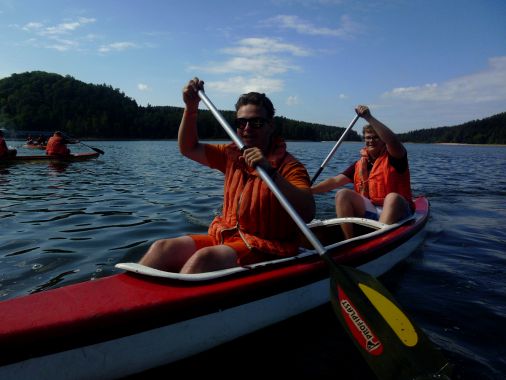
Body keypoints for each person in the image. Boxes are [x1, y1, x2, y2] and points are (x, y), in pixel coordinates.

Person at [139, 77, 315, 274]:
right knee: (162, 248)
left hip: (268, 246)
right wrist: (191, 107)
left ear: (270, 126)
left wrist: (270, 171)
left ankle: (177, 303)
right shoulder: (232, 155)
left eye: (256, 122)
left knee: (204, 259)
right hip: (227, 236)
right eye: (241, 122)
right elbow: (188, 148)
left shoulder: (290, 167)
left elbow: (308, 211)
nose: (247, 129)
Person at [311, 105, 414, 239]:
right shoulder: (360, 164)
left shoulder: (395, 157)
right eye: (368, 138)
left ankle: (377, 241)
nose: (371, 141)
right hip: (373, 209)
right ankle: (350, 240)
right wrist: (309, 190)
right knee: (342, 194)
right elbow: (335, 181)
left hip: (399, 210)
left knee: (392, 198)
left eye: (375, 137)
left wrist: (368, 117)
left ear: (383, 141)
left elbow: (392, 140)